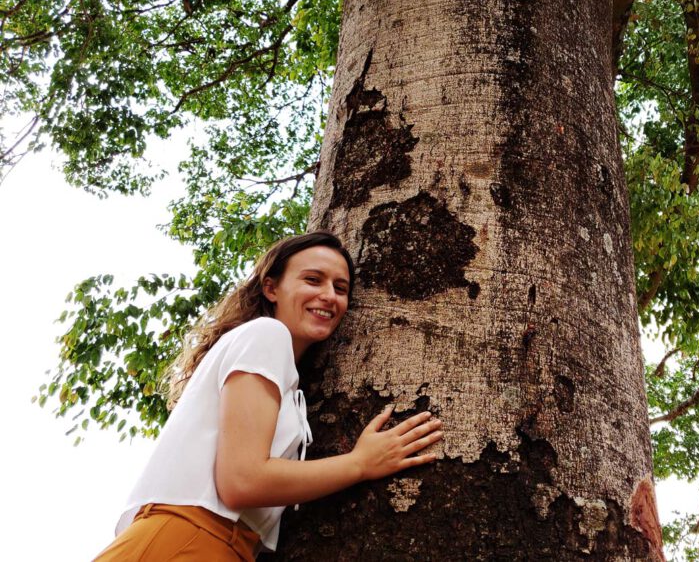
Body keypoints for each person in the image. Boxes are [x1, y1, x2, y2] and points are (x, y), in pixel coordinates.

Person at [93, 231, 443, 561]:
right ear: (271, 288)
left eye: (341, 287)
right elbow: (242, 482)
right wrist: (360, 464)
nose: (329, 295)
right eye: (312, 279)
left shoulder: (288, 384)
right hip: (186, 538)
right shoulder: (266, 335)